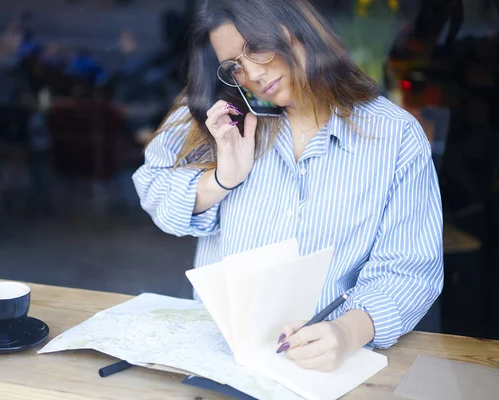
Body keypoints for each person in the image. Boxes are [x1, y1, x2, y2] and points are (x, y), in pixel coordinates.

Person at [132, 0, 443, 372]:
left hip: (326, 367)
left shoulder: (394, 135)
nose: (253, 75)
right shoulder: (219, 113)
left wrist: (345, 333)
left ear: (297, 29)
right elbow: (152, 186)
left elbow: (409, 270)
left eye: (256, 49)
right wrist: (222, 179)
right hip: (222, 359)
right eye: (235, 66)